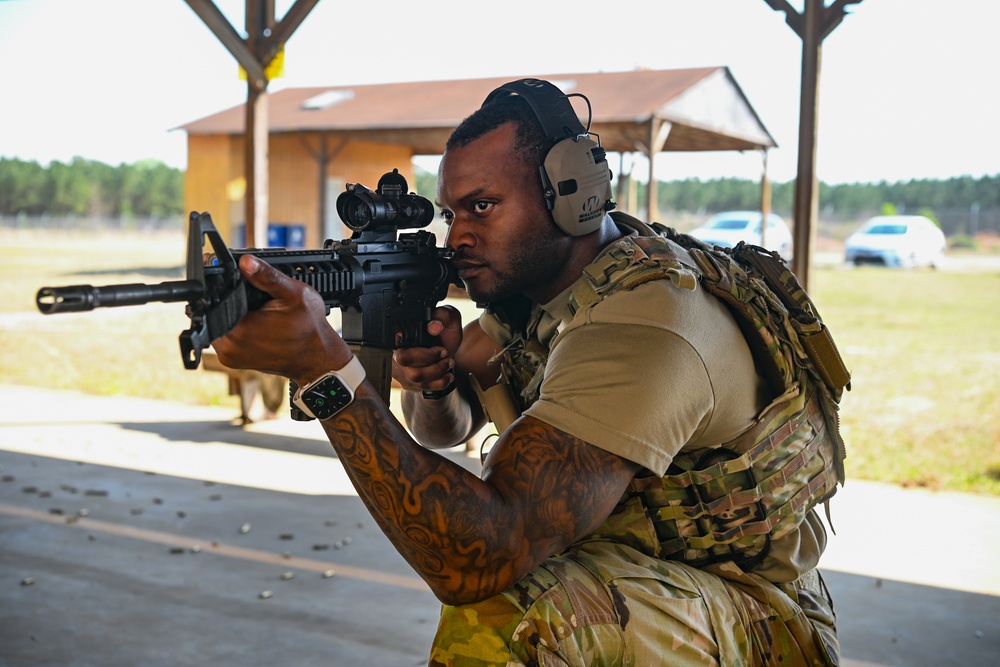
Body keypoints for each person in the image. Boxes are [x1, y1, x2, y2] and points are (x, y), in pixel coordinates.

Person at [213, 78, 843, 666]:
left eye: (483, 207)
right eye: (451, 212)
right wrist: (434, 386)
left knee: (515, 614)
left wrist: (326, 371)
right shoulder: (550, 299)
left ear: (573, 195)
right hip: (656, 580)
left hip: (764, 621)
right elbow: (447, 428)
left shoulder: (648, 325)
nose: (457, 235)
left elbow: (482, 554)